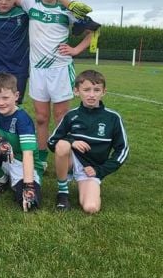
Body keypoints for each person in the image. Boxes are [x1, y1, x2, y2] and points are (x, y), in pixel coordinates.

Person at [17, 0, 95, 171]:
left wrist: (76, 49)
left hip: (60, 69)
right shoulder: (29, 3)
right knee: (41, 117)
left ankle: (66, 157)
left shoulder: (68, 11)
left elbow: (92, 31)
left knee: (61, 117)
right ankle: (41, 158)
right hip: (37, 71)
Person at [48, 70, 129, 213]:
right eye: (86, 90)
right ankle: (63, 191)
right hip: (71, 160)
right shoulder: (71, 115)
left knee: (91, 208)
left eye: (96, 90)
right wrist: (71, 141)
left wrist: (100, 171)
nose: (91, 94)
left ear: (103, 92)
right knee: (62, 144)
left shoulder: (113, 118)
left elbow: (122, 150)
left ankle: (85, 183)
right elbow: (52, 141)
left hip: (91, 168)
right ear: (77, 91)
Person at [0, 72, 41, 212]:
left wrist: (28, 185)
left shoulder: (23, 119)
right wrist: (1, 140)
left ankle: (19, 181)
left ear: (16, 96)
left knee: (29, 203)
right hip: (5, 156)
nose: (1, 103)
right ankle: (2, 179)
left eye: (5, 97)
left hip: (23, 162)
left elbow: (28, 154)